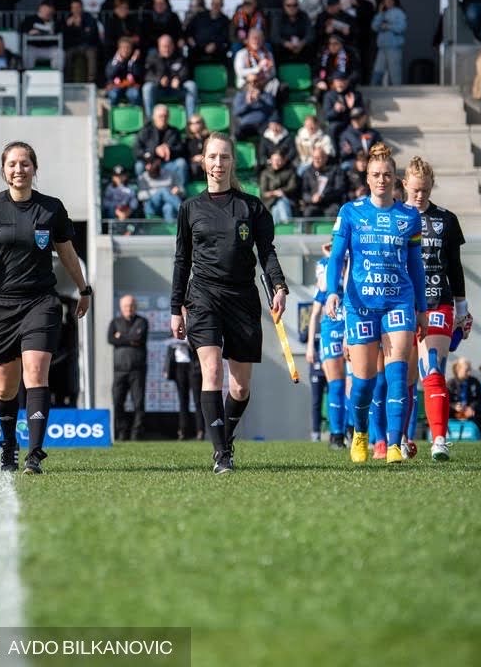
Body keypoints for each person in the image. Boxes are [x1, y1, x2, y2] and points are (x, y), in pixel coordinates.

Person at [0, 141, 90, 474]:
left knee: (36, 372)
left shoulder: (51, 208)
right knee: (5, 386)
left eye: (25, 164)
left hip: (41, 302)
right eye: (12, 164)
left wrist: (84, 289)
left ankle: (35, 454)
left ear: (34, 169)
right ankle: (9, 444)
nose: (19, 170)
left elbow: (66, 253)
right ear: (3, 169)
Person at [171, 132, 288, 473]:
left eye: (224, 157)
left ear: (232, 161)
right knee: (211, 371)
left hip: (243, 298)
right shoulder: (190, 208)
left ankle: (225, 437)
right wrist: (175, 306)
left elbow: (266, 253)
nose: (218, 163)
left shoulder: (252, 207)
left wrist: (278, 285)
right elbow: (182, 260)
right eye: (212, 157)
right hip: (203, 295)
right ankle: (223, 455)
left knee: (240, 385)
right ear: (203, 161)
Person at [325, 144, 427, 465]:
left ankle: (394, 445)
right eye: (375, 175)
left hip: (399, 303)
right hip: (361, 306)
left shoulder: (409, 217)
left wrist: (421, 307)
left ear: (395, 180)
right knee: (365, 382)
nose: (381, 180)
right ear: (367, 179)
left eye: (387, 175)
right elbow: (337, 258)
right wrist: (332, 292)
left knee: (398, 376)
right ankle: (360, 433)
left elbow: (417, 267)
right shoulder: (350, 212)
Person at [403, 156, 468, 460]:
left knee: (433, 368)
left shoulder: (446, 219)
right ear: (404, 185)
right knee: (404, 376)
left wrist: (462, 308)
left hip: (437, 301)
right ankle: (399, 438)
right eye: (416, 190)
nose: (420, 196)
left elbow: (454, 267)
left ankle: (439, 439)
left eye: (425, 191)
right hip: (402, 303)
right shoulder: (392, 217)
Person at [306, 243, 347, 448]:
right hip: (331, 332)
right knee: (336, 384)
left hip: (352, 328)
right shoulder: (326, 272)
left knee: (356, 384)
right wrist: (310, 347)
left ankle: (356, 431)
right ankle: (337, 434)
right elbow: (315, 311)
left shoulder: (355, 267)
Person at [108, 295, 149, 441]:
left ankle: (136, 434)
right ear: (121, 307)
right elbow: (111, 339)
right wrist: (130, 338)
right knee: (118, 402)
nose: (128, 309)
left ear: (135, 306)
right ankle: (121, 433)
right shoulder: (115, 322)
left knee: (138, 403)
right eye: (126, 306)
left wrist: (121, 337)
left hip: (137, 370)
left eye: (131, 305)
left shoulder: (142, 321)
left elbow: (139, 338)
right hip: (119, 370)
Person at [143, 35, 197, 119]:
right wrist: (159, 81)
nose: (166, 49)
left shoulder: (180, 57)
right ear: (159, 47)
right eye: (164, 46)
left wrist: (179, 79)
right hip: (159, 91)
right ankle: (150, 122)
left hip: (176, 90)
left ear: (173, 46)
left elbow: (186, 72)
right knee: (147, 87)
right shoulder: (152, 58)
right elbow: (147, 76)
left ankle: (191, 121)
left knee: (191, 85)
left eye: (169, 46)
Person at [135, 104, 188, 184]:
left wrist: (169, 150)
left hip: (168, 164)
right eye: (160, 116)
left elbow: (181, 149)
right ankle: (143, 191)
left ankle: (180, 190)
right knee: (139, 166)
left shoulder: (174, 131)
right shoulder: (145, 131)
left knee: (181, 163)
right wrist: (155, 151)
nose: (163, 118)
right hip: (150, 163)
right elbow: (137, 151)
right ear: (154, 117)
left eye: (165, 116)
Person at [370, 0, 407, 86]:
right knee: (377, 71)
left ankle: (398, 94)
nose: (388, 2)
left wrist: (388, 27)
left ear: (394, 1)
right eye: (386, 0)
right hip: (382, 47)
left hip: (394, 47)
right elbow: (374, 27)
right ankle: (373, 93)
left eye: (390, 0)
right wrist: (380, 13)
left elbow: (402, 27)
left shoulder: (399, 13)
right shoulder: (382, 13)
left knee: (395, 72)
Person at [448, 357, 481, 438]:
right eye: (467, 370)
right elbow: (445, 402)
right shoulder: (450, 384)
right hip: (454, 414)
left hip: (471, 414)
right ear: (458, 369)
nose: (469, 373)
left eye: (470, 370)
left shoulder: (474, 381)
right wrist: (454, 406)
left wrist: (472, 408)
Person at [259, 149, 298, 224]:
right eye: (274, 160)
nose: (277, 163)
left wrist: (282, 191)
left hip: (287, 200)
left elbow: (292, 187)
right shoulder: (265, 173)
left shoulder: (290, 172)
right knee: (278, 205)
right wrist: (275, 193)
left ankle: (275, 230)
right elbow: (263, 192)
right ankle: (287, 225)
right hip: (269, 202)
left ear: (284, 160)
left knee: (279, 204)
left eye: (279, 160)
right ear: (270, 160)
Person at [104, 37, 142, 107]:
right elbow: (109, 75)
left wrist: (134, 62)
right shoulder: (114, 61)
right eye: (123, 48)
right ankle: (113, 115)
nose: (126, 50)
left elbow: (138, 75)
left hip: (130, 87)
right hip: (115, 86)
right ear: (119, 49)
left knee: (134, 95)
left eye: (128, 48)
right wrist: (119, 63)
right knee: (113, 95)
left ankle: (135, 115)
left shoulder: (134, 60)